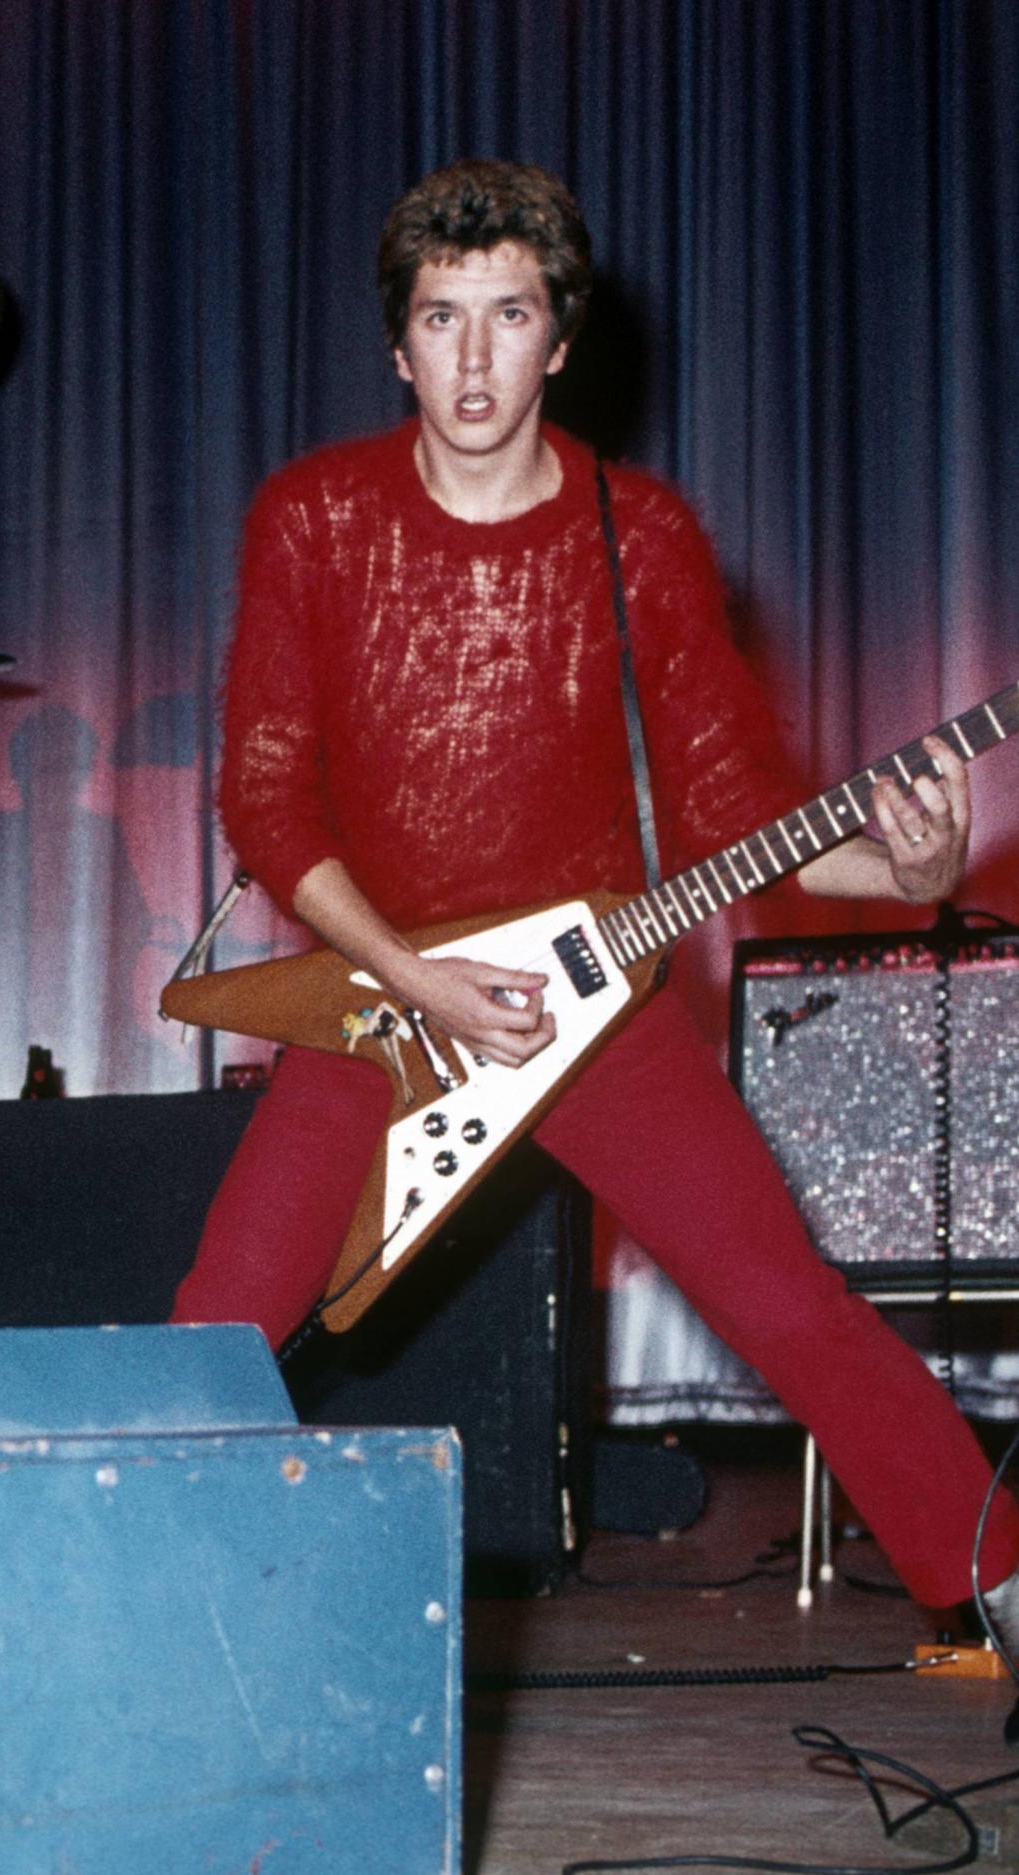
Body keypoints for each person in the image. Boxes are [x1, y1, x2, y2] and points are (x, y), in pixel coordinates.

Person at [168, 159, 1019, 1626]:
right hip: (384, 999)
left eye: (511, 315)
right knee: (215, 1330)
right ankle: (113, 1629)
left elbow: (733, 814)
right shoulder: (312, 518)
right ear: (398, 341)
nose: (477, 358)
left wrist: (909, 873)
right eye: (444, 319)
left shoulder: (649, 535)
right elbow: (263, 799)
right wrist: (420, 978)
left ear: (562, 339)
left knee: (796, 1313)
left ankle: (1002, 1591)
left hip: (602, 1003)